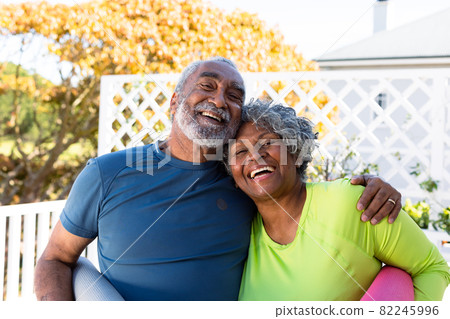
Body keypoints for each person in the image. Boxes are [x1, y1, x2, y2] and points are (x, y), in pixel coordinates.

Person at [34, 57, 402, 301]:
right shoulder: (107, 173)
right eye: (207, 86)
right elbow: (56, 259)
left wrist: (370, 185)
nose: (220, 100)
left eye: (234, 95)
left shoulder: (246, 178)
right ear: (176, 100)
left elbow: (304, 197)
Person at [227, 99, 450, 301]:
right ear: (233, 177)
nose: (255, 156)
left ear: (295, 153)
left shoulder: (350, 202)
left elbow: (432, 268)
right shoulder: (238, 228)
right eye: (239, 152)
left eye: (266, 143)